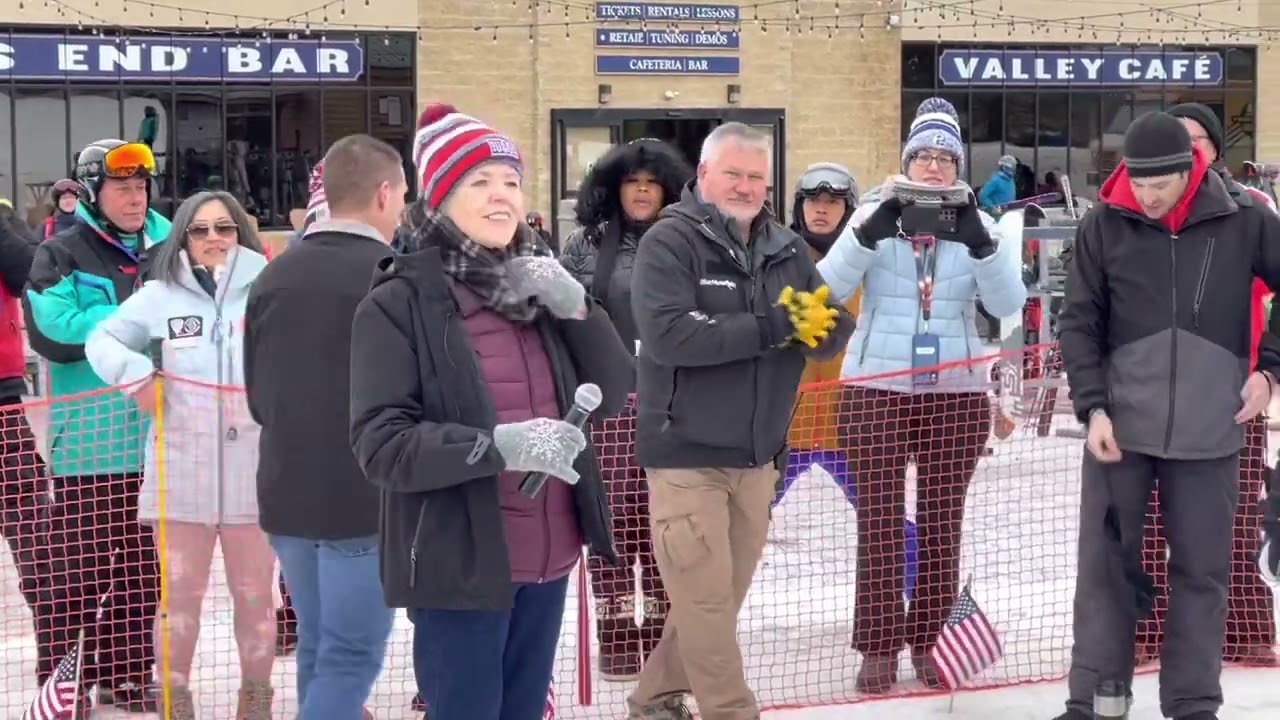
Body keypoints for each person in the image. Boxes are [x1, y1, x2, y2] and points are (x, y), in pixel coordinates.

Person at [347, 103, 633, 720]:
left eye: (510, 181)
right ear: (440, 197)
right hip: (461, 563)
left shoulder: (538, 288)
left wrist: (580, 307)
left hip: (549, 555)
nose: (501, 196)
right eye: (479, 182)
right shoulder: (399, 302)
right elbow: (382, 445)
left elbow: (613, 390)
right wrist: (501, 446)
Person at [1055, 111, 1280, 720]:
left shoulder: (1247, 219)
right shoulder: (1104, 225)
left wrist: (1269, 371)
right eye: (1138, 182)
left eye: (1161, 184)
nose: (1147, 196)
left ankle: (1192, 704)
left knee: (1202, 576)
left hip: (1212, 431)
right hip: (1119, 434)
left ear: (1191, 169)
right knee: (1106, 571)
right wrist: (1092, 408)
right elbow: (1078, 322)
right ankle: (1095, 701)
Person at [625, 122, 854, 720]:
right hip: (686, 458)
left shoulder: (784, 249)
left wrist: (826, 329)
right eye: (733, 173)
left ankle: (652, 700)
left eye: (756, 176)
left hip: (757, 459)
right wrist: (775, 328)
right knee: (704, 605)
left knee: (717, 602)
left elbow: (830, 329)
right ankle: (732, 710)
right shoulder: (669, 244)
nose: (746, 186)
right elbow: (670, 335)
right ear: (703, 175)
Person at [817, 96, 1027, 694]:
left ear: (958, 167)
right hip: (875, 388)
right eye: (923, 156)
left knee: (942, 520)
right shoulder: (874, 212)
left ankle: (931, 639)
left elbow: (1010, 305)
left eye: (945, 157)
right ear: (906, 161)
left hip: (954, 390)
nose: (934, 167)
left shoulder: (976, 221)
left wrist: (982, 247)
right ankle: (879, 645)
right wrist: (866, 234)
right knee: (879, 520)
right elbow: (825, 287)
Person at [84, 190, 274, 719]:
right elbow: (101, 340)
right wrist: (137, 377)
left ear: (241, 232)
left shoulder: (269, 288)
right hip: (180, 475)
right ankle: (175, 699)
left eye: (225, 228)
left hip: (254, 476)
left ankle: (255, 701)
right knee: (180, 602)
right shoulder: (159, 296)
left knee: (257, 600)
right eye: (200, 229)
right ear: (183, 238)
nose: (214, 238)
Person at [243, 134, 404, 720]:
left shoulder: (273, 275)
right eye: (403, 195)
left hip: (286, 494)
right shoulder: (392, 275)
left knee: (318, 640)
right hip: (361, 499)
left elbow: (257, 396)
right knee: (350, 653)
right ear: (384, 194)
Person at [1125, 101, 1278, 668]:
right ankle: (1145, 630)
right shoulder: (1138, 208)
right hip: (1148, 393)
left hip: (1230, 392)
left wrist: (1267, 368)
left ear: (1215, 150)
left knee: (1234, 516)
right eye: (1176, 139)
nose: (1187, 149)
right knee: (1144, 518)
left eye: (1197, 139)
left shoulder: (1250, 208)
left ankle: (1243, 625)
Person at [24, 138, 171, 710]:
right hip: (89, 444)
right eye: (122, 188)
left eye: (141, 187)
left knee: (142, 571)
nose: (136, 198)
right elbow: (54, 336)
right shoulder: (62, 254)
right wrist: (135, 315)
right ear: (92, 192)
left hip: (159, 441)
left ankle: (126, 671)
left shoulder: (172, 243)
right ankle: (61, 679)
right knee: (75, 576)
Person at [559, 137, 693, 680]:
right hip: (607, 399)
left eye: (651, 182)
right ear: (613, 188)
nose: (641, 190)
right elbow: (561, 314)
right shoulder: (583, 246)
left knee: (668, 514)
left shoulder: (690, 242)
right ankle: (615, 627)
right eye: (631, 181)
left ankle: (661, 624)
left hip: (673, 399)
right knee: (612, 512)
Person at [776, 161, 862, 507]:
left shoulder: (867, 265)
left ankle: (924, 564)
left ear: (848, 210)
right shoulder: (777, 261)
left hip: (847, 428)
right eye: (813, 201)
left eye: (832, 202)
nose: (821, 210)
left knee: (883, 522)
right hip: (786, 427)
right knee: (745, 519)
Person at [0, 199, 60, 685]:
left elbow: (32, 273)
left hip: (2, 403)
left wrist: (2, 223)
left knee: (31, 529)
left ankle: (55, 648)